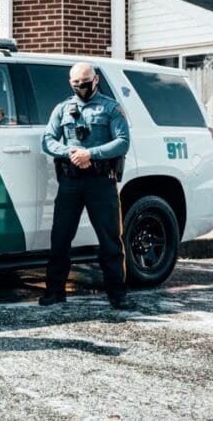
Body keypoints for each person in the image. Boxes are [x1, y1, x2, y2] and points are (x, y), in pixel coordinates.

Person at [39, 62, 135, 311]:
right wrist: (69, 151)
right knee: (60, 238)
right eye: (76, 84)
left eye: (85, 83)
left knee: (110, 240)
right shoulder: (62, 108)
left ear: (96, 80)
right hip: (70, 182)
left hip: (101, 182)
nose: (81, 88)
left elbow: (122, 142)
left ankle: (117, 294)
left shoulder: (111, 108)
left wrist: (90, 154)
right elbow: (47, 139)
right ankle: (54, 292)